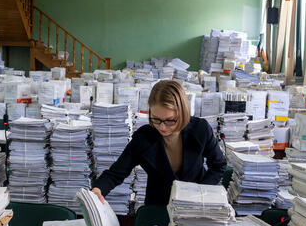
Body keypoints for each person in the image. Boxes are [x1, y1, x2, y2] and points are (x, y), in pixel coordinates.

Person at [92, 80, 227, 207]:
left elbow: (218, 165)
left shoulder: (200, 129)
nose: (162, 127)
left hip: (196, 204)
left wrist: (200, 192)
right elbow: (116, 173)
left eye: (170, 120)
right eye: (156, 119)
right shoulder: (144, 137)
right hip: (158, 207)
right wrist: (98, 189)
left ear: (183, 113)